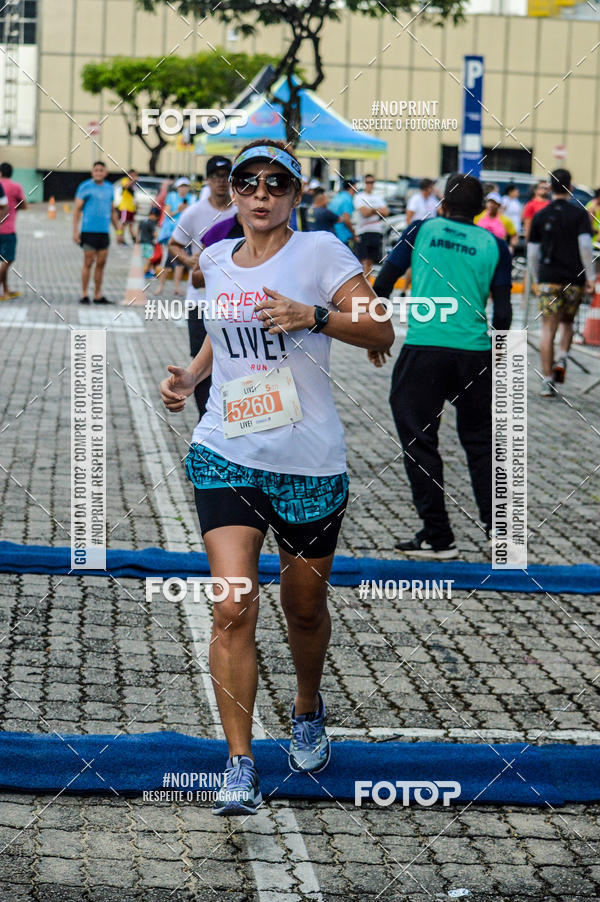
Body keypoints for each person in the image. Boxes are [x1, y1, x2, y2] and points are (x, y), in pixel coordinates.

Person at [160, 138, 394, 816]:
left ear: (296, 195)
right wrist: (194, 375)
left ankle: (308, 705)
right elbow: (220, 331)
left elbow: (382, 331)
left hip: (309, 464)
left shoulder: (321, 253)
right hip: (226, 450)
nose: (261, 195)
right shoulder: (211, 258)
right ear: (232, 192)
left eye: (276, 185)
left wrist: (313, 315)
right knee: (233, 604)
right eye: (247, 184)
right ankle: (239, 763)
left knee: (303, 607)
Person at [372, 173, 512, 560]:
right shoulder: (496, 245)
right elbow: (504, 312)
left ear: (442, 203)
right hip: (474, 354)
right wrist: (494, 356)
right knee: (481, 445)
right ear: (483, 209)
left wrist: (374, 334)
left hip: (424, 350)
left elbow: (382, 285)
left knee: (420, 440)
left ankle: (438, 537)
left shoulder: (422, 230)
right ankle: (501, 535)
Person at [168, 156, 238, 418]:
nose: (221, 180)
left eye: (225, 175)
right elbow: (174, 244)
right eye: (215, 176)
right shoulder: (195, 212)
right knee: (200, 360)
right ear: (207, 179)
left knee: (232, 358)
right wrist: (189, 260)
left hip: (235, 300)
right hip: (200, 299)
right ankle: (206, 417)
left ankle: (231, 415)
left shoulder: (241, 211)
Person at [528, 168, 594, 397]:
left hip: (548, 280)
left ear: (549, 187)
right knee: (568, 323)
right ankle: (563, 358)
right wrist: (591, 277)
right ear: (571, 188)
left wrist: (537, 279)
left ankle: (547, 381)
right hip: (574, 279)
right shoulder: (579, 215)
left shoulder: (540, 216)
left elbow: (532, 254)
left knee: (547, 329)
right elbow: (586, 248)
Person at [73, 161, 120, 304]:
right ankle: (84, 294)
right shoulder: (85, 187)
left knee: (101, 263)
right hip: (88, 231)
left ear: (105, 173)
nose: (98, 172)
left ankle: (98, 295)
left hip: (103, 232)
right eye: (96, 170)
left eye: (101, 170)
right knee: (88, 262)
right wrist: (75, 231)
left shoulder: (110, 188)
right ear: (92, 172)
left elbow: (112, 211)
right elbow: (76, 210)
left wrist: (118, 230)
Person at [154, 177, 192, 297]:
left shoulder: (192, 199)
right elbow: (167, 214)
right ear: (177, 187)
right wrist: (178, 210)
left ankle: (177, 288)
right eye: (182, 186)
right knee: (167, 262)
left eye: (186, 186)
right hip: (171, 234)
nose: (184, 189)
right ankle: (160, 287)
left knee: (180, 262)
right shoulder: (172, 196)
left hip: (185, 234)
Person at [353, 174, 389, 278]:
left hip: (375, 231)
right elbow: (364, 213)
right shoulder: (360, 197)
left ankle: (367, 284)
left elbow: (386, 212)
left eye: (372, 182)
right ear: (364, 183)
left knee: (370, 261)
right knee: (362, 260)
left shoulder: (378, 197)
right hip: (363, 231)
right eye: (368, 182)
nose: (370, 185)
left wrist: (372, 210)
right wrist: (377, 210)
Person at [0, 163, 27, 300]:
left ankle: (6, 290)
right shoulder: (15, 187)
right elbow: (24, 205)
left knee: (3, 261)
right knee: (8, 260)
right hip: (7, 230)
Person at [328, 179, 357, 249]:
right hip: (342, 236)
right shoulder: (348, 199)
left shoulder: (337, 197)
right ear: (352, 187)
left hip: (332, 234)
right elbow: (346, 219)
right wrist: (354, 234)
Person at [116, 169, 138, 245]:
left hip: (132, 207)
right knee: (122, 224)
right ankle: (120, 239)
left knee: (131, 224)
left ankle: (134, 239)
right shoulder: (125, 180)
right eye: (134, 175)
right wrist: (133, 180)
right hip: (125, 207)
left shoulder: (134, 184)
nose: (136, 176)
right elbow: (126, 186)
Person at [138, 206, 161, 277]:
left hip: (142, 242)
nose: (157, 219)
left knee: (146, 258)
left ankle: (149, 271)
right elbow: (154, 234)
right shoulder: (152, 223)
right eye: (157, 217)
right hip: (149, 244)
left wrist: (136, 240)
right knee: (149, 259)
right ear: (154, 215)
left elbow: (138, 231)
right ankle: (145, 272)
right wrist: (159, 239)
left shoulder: (143, 221)